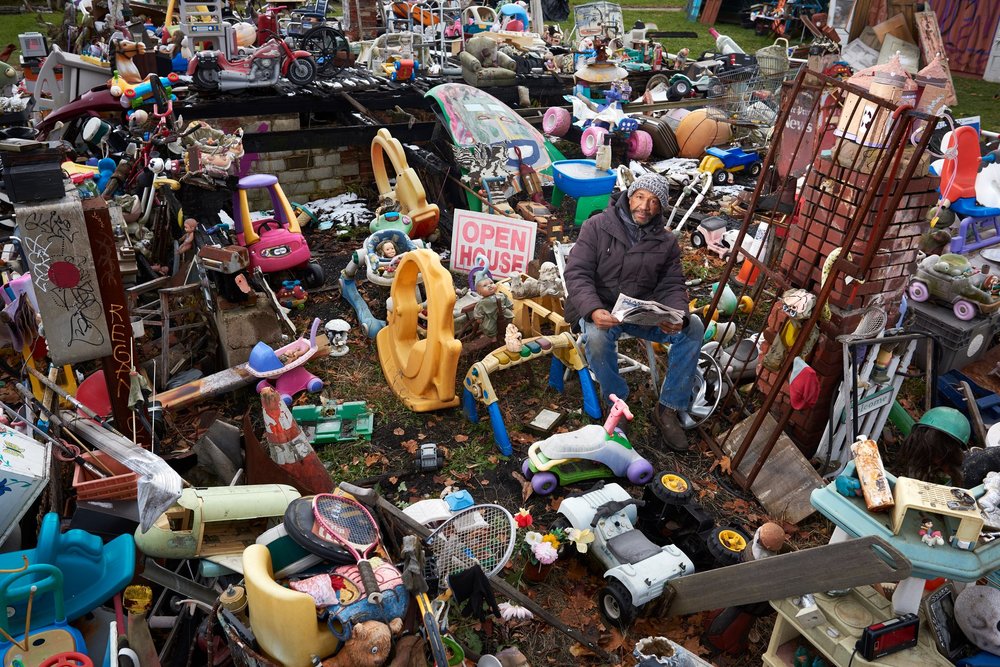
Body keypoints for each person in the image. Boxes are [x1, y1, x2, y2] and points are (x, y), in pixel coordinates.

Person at [563, 173, 703, 451]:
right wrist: (592, 310)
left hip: (638, 312)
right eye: (640, 196)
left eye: (653, 202)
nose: (644, 206)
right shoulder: (597, 226)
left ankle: (668, 409)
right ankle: (617, 401)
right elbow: (577, 273)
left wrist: (677, 315)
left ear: (660, 208)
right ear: (629, 196)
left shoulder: (666, 242)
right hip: (602, 309)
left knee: (694, 326)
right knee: (598, 336)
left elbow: (672, 284)